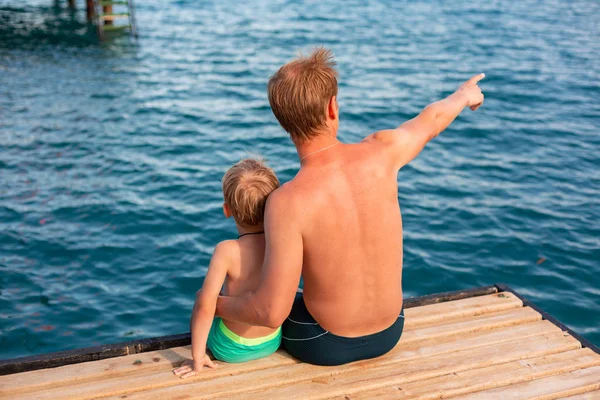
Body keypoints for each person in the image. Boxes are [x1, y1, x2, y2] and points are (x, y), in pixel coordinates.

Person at [216, 48, 485, 366]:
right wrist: (463, 94)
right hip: (391, 329)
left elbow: (271, 312)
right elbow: (431, 120)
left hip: (325, 345)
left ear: (283, 122)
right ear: (332, 108)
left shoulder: (287, 202)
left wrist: (214, 303)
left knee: (263, 306)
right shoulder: (383, 152)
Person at [173, 159, 281, 378]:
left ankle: (201, 353)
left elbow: (205, 308)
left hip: (229, 347)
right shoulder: (281, 244)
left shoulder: (227, 250)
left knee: (203, 297)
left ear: (227, 210)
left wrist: (197, 357)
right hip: (272, 341)